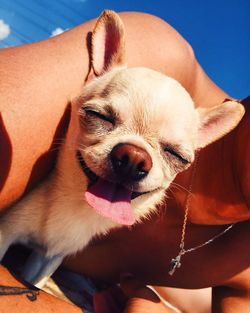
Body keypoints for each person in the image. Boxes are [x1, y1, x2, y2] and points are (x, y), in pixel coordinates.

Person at [0, 11, 249, 313]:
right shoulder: (158, 55)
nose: (134, 160)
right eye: (101, 118)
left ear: (206, 135)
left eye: (174, 154)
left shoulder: (239, 263)